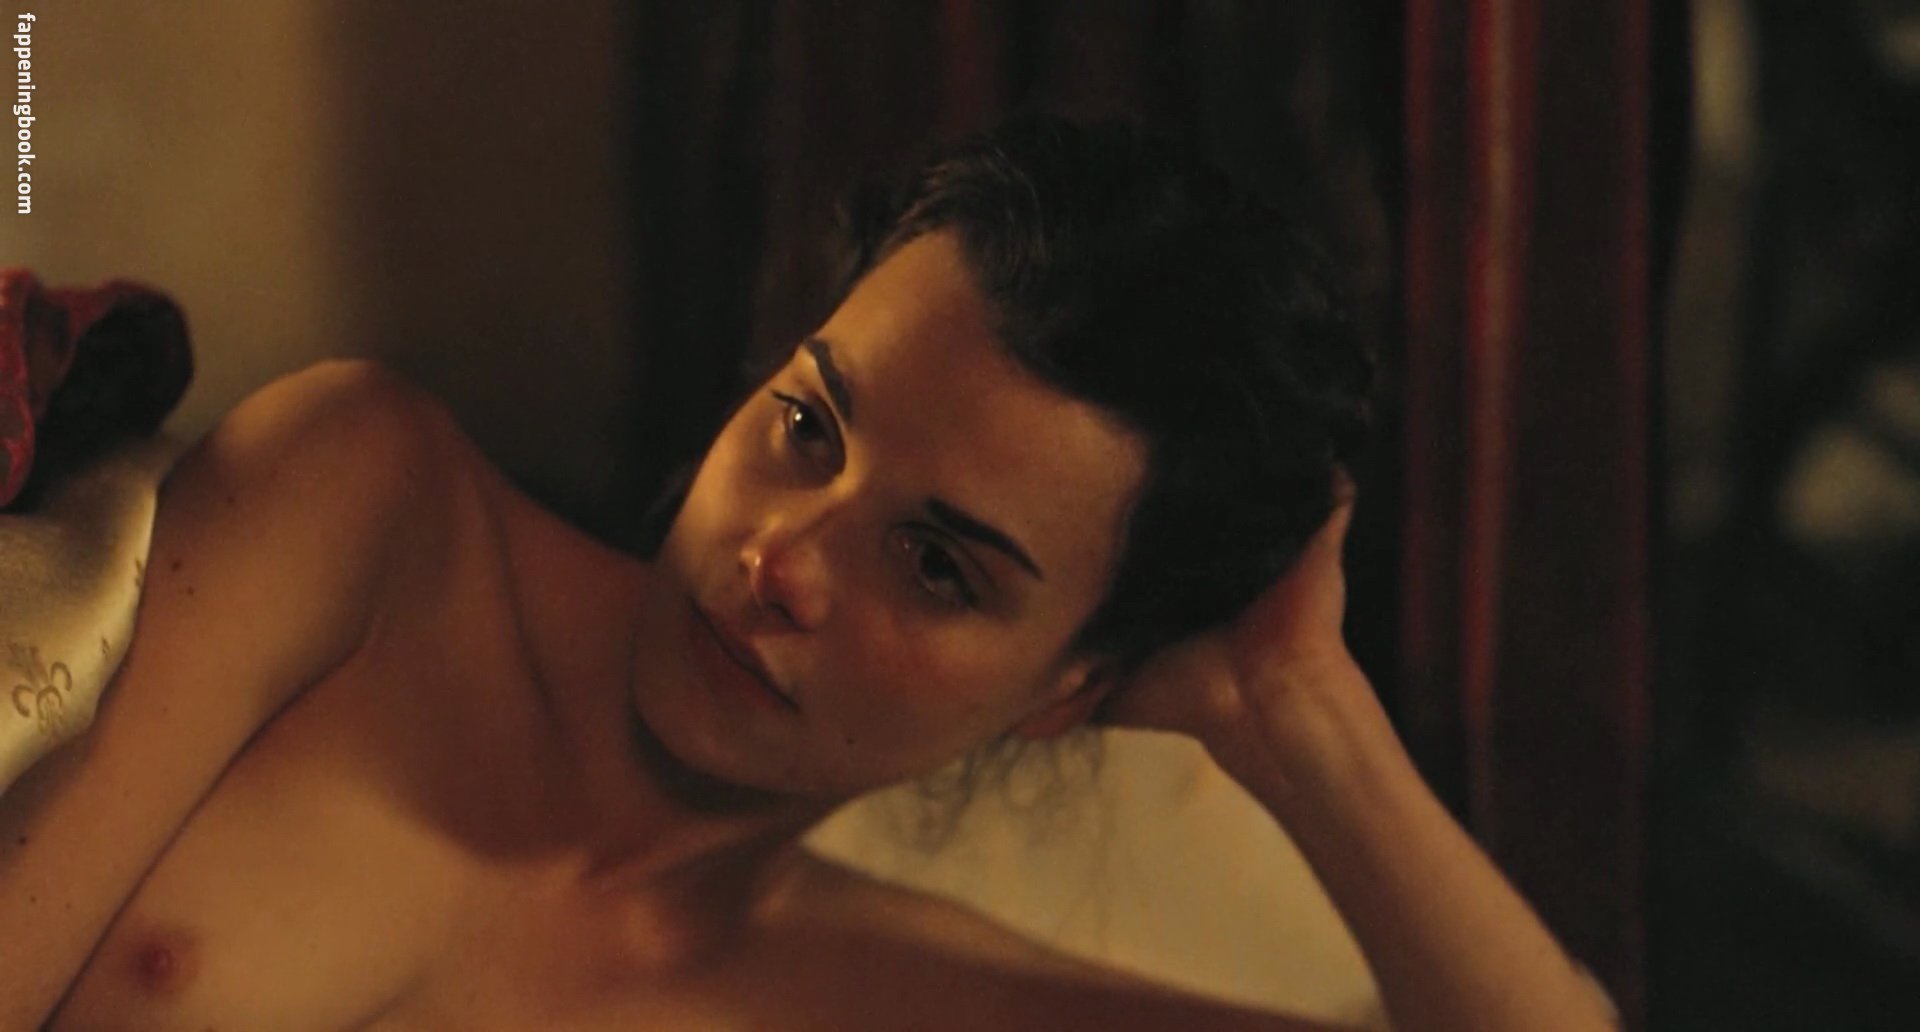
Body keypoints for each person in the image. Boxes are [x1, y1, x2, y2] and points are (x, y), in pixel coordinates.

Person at [0, 115, 1617, 1031]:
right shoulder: (372, 512)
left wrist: (1299, 710)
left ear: (1067, 688)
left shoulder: (891, 992)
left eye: (937, 567)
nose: (780, 557)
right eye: (807, 426)